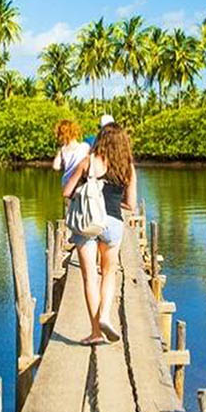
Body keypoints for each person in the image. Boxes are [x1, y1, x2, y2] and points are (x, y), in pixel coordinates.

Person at [62, 122, 137, 345]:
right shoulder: (128, 167)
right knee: (109, 273)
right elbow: (131, 204)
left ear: (100, 139)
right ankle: (105, 315)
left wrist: (82, 192)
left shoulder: (87, 162)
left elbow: (66, 192)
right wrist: (115, 202)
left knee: (89, 278)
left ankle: (96, 332)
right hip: (113, 223)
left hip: (88, 224)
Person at [51, 119, 90, 187]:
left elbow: (56, 166)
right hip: (81, 184)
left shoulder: (63, 150)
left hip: (67, 184)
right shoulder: (85, 147)